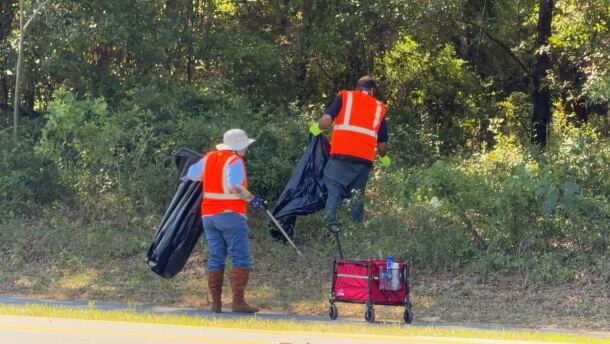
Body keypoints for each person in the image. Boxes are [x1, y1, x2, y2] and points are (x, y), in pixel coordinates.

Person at [185, 128, 265, 313]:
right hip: (231, 214)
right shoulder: (234, 160)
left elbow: (191, 174)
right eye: (244, 146)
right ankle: (238, 302)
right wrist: (252, 199)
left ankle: (216, 303)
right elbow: (234, 186)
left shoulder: (209, 158)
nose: (246, 149)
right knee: (240, 256)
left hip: (208, 216)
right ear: (237, 147)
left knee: (215, 257)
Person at [309, 76, 390, 228]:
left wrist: (316, 128)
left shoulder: (345, 97)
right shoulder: (379, 107)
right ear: (372, 90)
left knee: (334, 193)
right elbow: (382, 146)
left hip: (340, 156)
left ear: (357, 87)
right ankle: (355, 230)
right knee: (357, 195)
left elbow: (326, 120)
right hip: (363, 162)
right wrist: (384, 157)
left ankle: (329, 229)